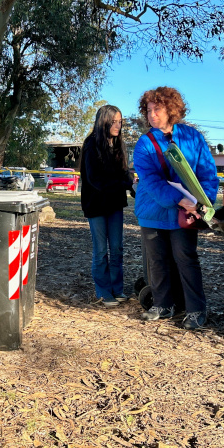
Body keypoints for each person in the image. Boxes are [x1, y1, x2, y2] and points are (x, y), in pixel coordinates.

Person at [133, 87, 219, 330]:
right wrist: (179, 200)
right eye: (148, 110)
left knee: (186, 258)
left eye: (157, 109)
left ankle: (195, 309)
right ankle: (163, 304)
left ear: (171, 110)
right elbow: (150, 180)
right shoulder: (144, 144)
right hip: (153, 212)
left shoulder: (193, 138)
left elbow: (208, 174)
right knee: (157, 260)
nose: (152, 115)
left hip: (186, 214)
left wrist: (202, 203)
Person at [79, 105, 135, 307]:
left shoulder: (119, 144)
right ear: (104, 121)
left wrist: (130, 182)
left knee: (117, 249)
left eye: (120, 121)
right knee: (101, 251)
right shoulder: (91, 144)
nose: (118, 125)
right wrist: (123, 183)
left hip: (115, 204)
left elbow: (123, 172)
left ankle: (116, 289)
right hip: (96, 205)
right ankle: (103, 291)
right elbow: (95, 179)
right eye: (114, 121)